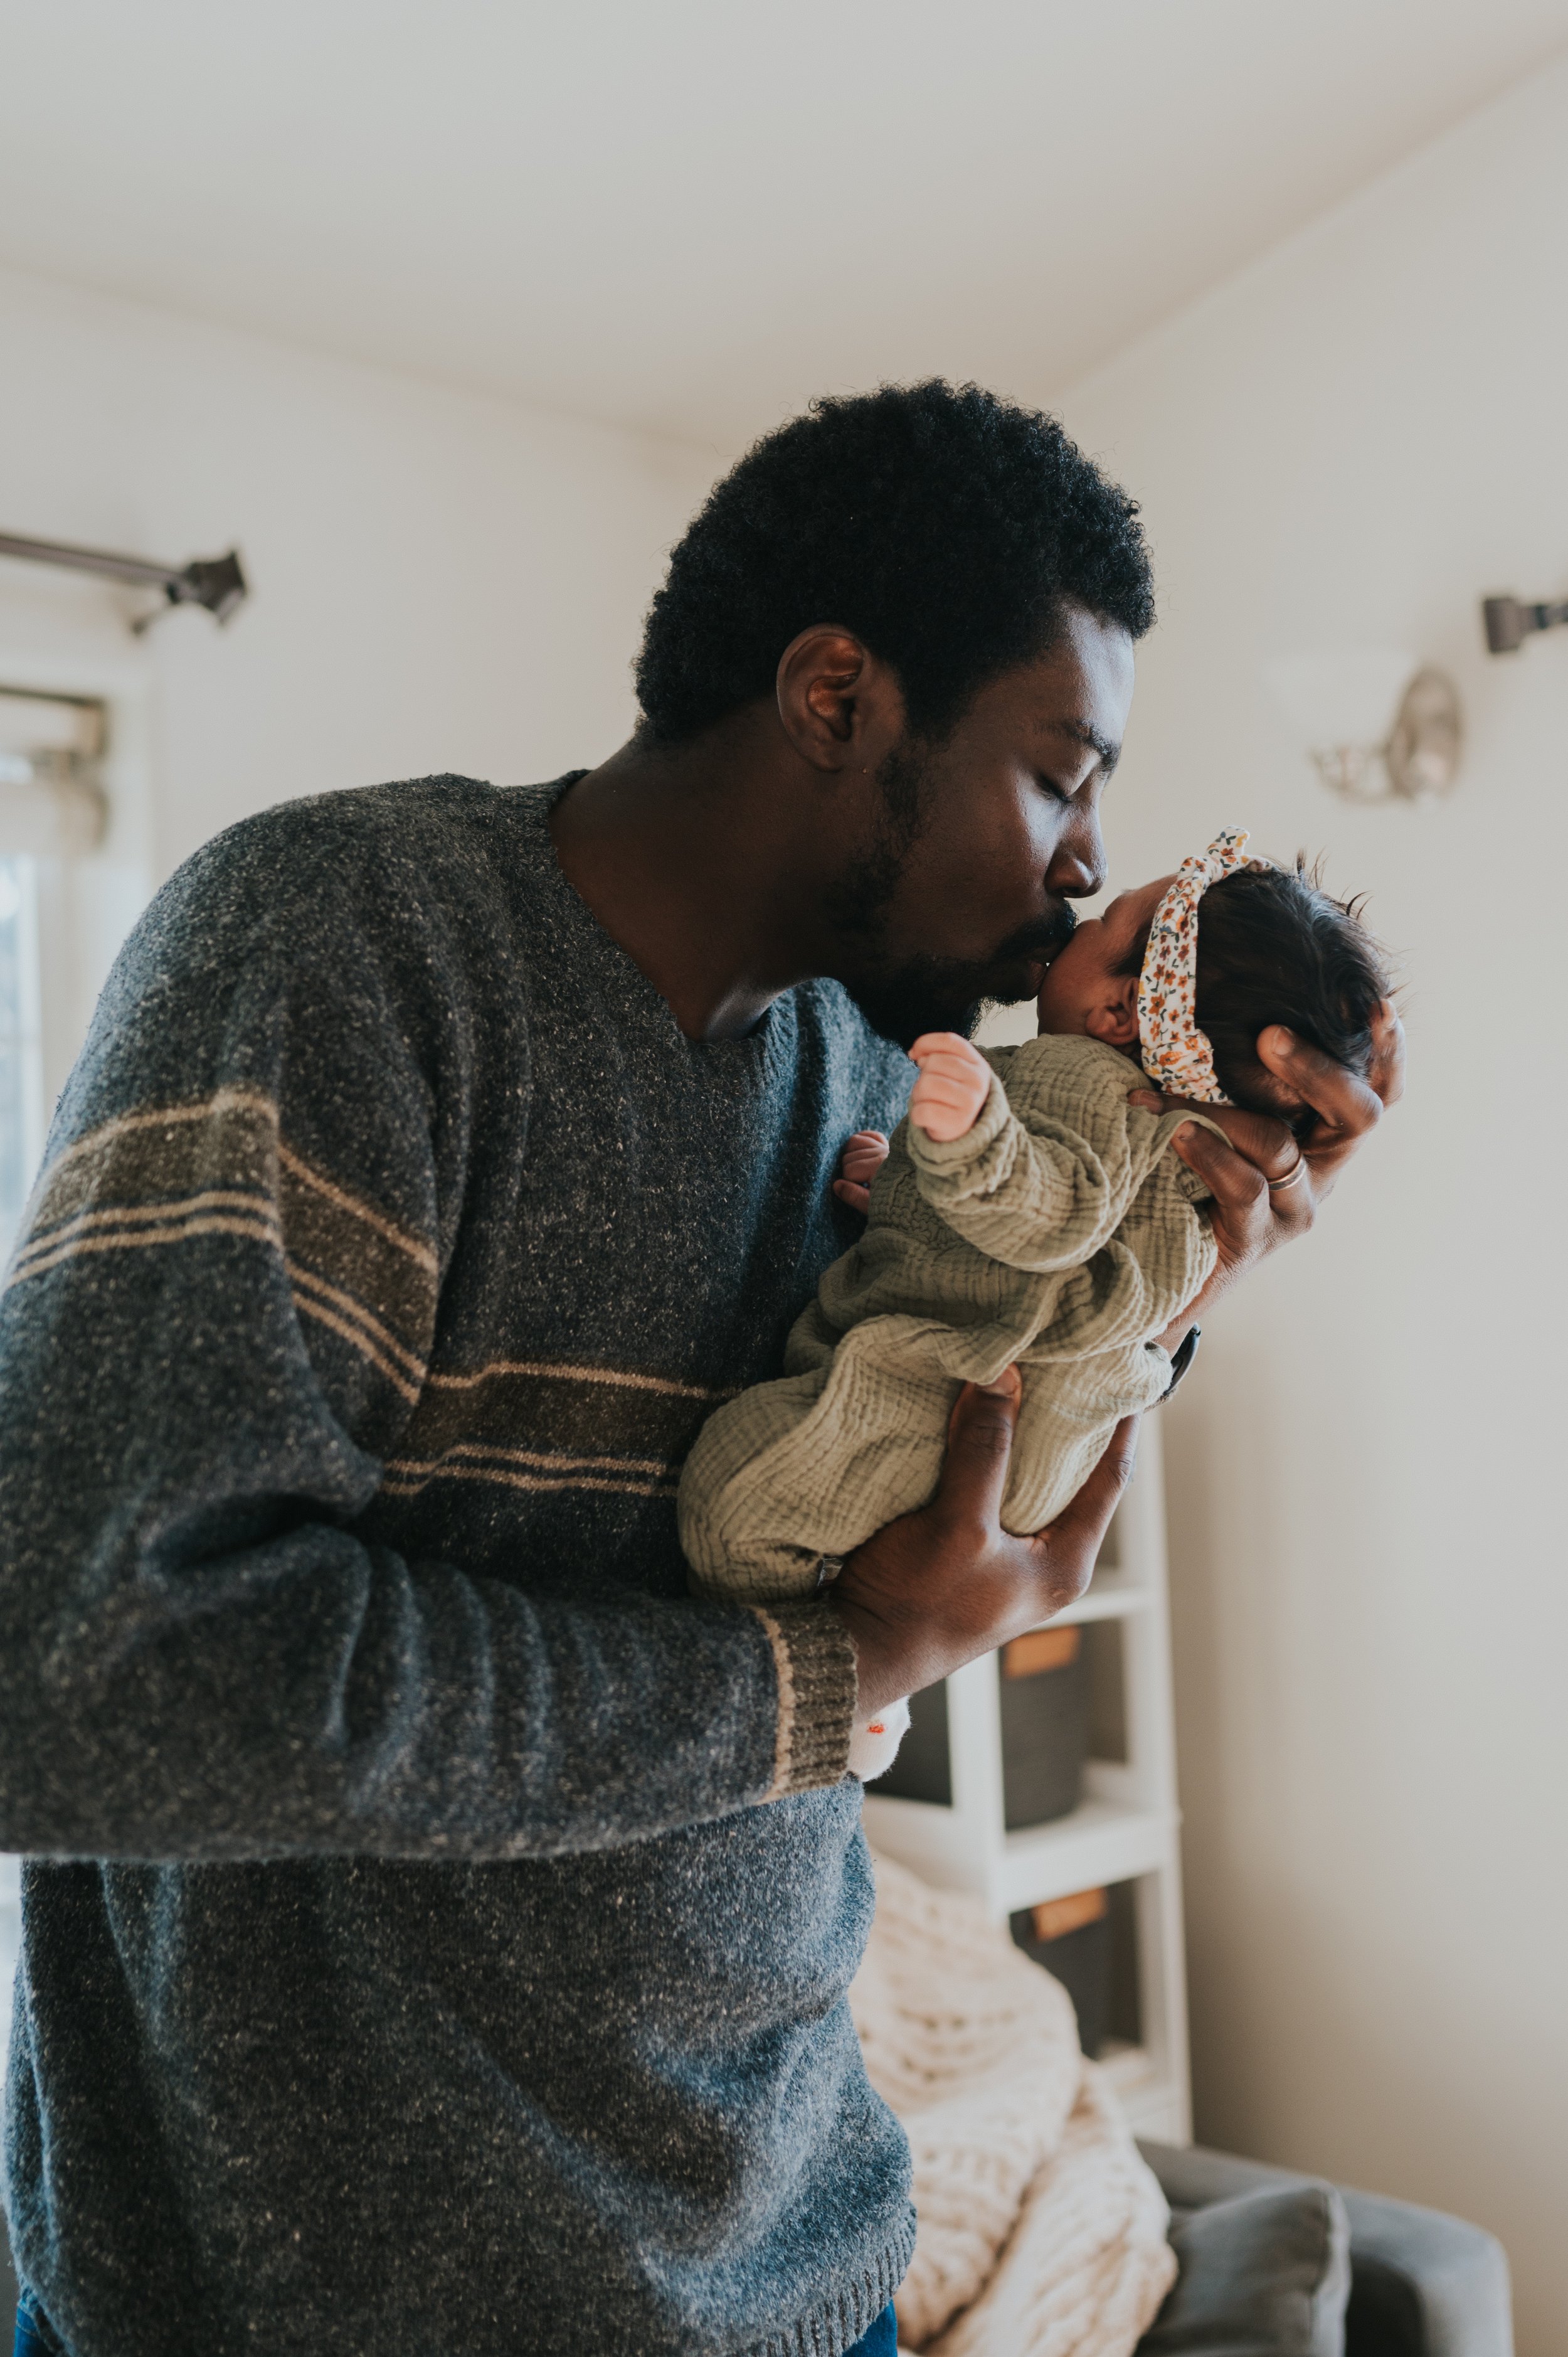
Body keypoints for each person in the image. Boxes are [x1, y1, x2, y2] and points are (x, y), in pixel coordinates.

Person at [0, 383, 1399, 2357]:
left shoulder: (865, 1084)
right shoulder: (340, 941)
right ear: (836, 698)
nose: (1087, 869)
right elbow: (92, 1671)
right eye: (1059, 775)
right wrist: (833, 1683)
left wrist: (1166, 1280)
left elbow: (914, 1490)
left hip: (801, 2271)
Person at [678, 834, 1392, 1779]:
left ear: (1120, 1008)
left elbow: (1054, 1211)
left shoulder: (1078, 1077)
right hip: (1035, 1447)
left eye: (1118, 922)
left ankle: (824, 1687)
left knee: (733, 1498)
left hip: (961, 1405)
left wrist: (970, 1143)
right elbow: (1065, 1248)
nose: (1086, 897)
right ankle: (864, 1709)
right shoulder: (1165, 1133)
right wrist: (913, 1184)